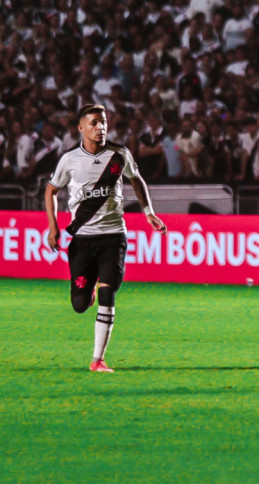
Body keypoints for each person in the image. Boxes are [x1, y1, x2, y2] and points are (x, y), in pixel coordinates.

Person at [44, 104, 167, 373]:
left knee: (108, 291)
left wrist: (149, 213)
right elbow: (51, 190)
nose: (100, 128)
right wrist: (53, 227)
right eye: (94, 123)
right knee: (79, 305)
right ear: (80, 128)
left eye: (103, 122)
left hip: (114, 236)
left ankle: (97, 359)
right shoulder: (70, 160)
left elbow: (137, 180)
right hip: (83, 240)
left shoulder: (119, 154)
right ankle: (87, 292)